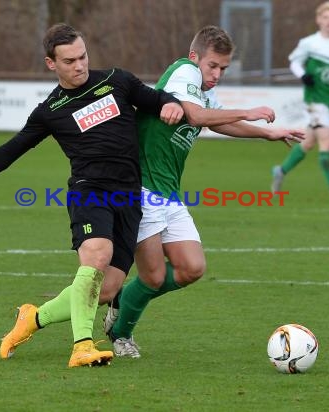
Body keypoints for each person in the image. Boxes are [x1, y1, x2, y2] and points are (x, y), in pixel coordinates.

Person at [0, 23, 184, 368]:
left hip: (128, 198)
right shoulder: (51, 111)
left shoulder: (117, 80)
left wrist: (171, 103)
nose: (79, 65)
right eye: (69, 61)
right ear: (51, 64)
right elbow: (8, 152)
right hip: (89, 192)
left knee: (108, 289)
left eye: (82, 56)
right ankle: (83, 346)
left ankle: (32, 318)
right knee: (98, 254)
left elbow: (156, 99)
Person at [103, 25, 306, 358]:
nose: (217, 74)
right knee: (152, 277)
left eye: (223, 68)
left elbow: (215, 120)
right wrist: (248, 110)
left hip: (168, 191)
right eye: (212, 66)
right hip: (140, 187)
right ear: (195, 57)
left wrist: (266, 134)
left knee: (191, 269)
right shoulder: (184, 71)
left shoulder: (202, 89)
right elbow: (196, 116)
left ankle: (123, 299)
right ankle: (121, 333)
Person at [271, 1, 329, 202]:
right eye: (325, 17)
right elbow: (294, 62)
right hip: (314, 99)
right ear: (318, 20)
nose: (328, 21)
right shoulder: (309, 42)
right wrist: (302, 75)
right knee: (327, 141)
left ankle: (280, 171)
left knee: (308, 143)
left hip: (328, 99)